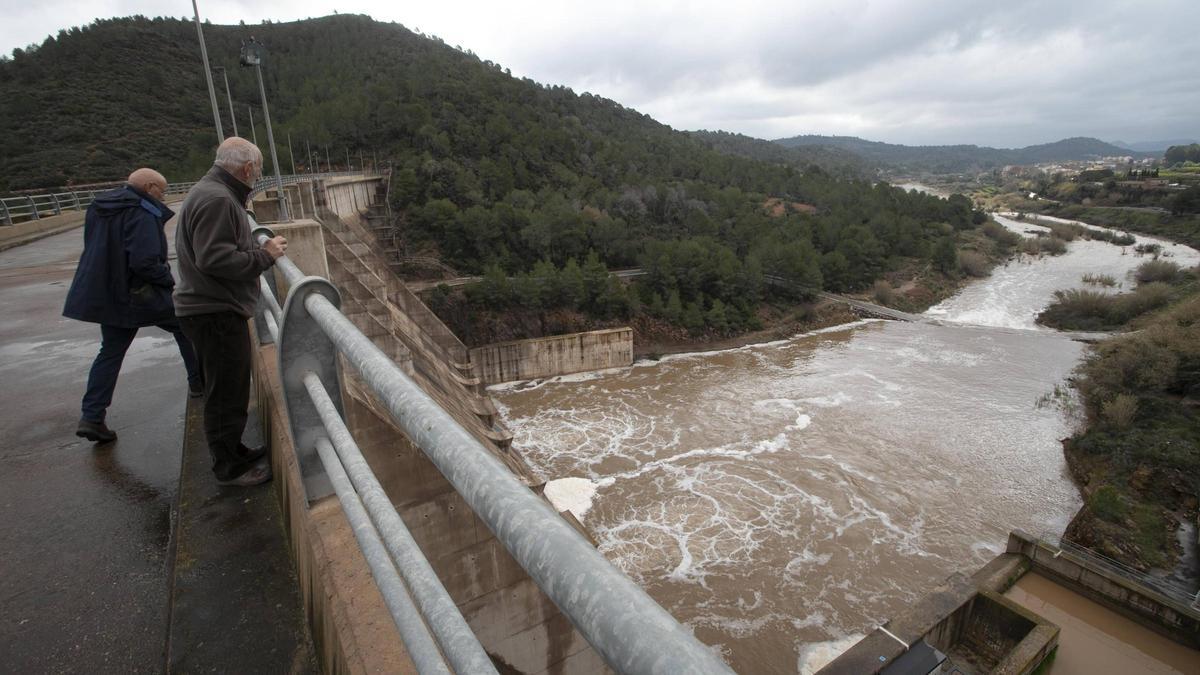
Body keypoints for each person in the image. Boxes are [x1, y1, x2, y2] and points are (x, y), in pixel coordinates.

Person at [175, 137, 288, 487]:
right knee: (225, 394)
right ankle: (229, 468)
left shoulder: (212, 193)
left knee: (230, 389)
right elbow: (215, 258)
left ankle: (234, 451)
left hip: (212, 308)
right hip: (214, 311)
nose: (259, 174)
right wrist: (265, 256)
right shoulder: (218, 200)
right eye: (259, 168)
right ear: (247, 168)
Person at [64, 168, 203, 444]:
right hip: (139, 295)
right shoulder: (142, 212)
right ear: (150, 187)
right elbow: (145, 261)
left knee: (111, 352)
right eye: (161, 191)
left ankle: (92, 416)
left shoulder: (100, 206)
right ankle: (199, 383)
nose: (162, 197)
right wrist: (168, 282)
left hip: (109, 293)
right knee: (185, 325)